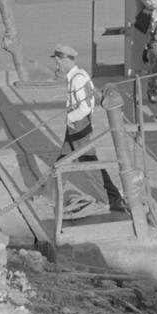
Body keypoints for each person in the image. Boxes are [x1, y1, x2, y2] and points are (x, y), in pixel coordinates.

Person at [51, 44, 125, 213]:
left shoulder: (78, 79)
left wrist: (68, 117)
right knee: (62, 161)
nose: (57, 65)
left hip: (79, 127)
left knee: (89, 164)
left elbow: (84, 108)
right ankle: (51, 193)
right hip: (76, 126)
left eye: (57, 61)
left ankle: (109, 198)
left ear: (64, 60)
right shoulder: (79, 75)